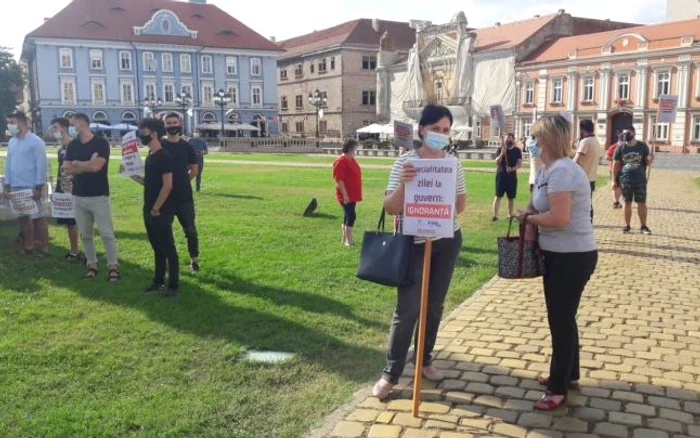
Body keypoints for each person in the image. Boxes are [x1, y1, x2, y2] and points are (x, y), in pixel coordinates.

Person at [372, 104, 467, 400]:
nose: (440, 135)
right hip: (412, 242)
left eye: (445, 130)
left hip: (446, 239)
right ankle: (391, 373)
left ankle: (423, 360)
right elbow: (390, 207)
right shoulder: (406, 162)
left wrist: (441, 191)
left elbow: (460, 205)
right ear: (422, 130)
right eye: (435, 129)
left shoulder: (453, 163)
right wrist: (406, 184)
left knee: (435, 306)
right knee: (408, 309)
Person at [517, 115, 597, 411]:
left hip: (571, 256)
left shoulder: (563, 170)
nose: (531, 144)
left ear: (547, 140)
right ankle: (569, 374)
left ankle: (557, 387)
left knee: (560, 321)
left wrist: (527, 218)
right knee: (564, 317)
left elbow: (559, 219)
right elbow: (536, 203)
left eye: (535, 138)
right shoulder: (547, 169)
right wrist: (527, 212)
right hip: (557, 254)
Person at [63, 113, 120, 282]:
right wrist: (86, 164)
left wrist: (78, 164)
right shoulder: (73, 145)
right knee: (86, 235)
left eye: (73, 124)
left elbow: (96, 167)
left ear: (82, 124)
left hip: (99, 195)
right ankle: (91, 264)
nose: (70, 128)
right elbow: (66, 169)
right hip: (79, 196)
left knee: (106, 233)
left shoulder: (100, 143)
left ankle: (113, 267)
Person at [130, 118, 179, 297]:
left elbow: (167, 186)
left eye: (144, 131)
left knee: (168, 249)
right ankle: (158, 281)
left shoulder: (164, 156)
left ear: (154, 134)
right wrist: (132, 176)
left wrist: (156, 208)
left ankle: (173, 286)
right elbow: (149, 183)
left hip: (160, 211)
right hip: (149, 208)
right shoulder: (150, 156)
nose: (141, 135)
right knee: (157, 248)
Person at [2, 110, 49, 258]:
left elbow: (41, 165)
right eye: (8, 123)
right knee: (22, 217)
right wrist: (7, 184)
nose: (10, 126)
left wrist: (38, 186)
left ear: (22, 122)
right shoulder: (12, 141)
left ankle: (44, 247)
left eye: (12, 122)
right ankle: (28, 244)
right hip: (15, 186)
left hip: (31, 186)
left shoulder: (36, 141)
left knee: (37, 217)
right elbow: (8, 163)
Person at [162, 113, 201, 272]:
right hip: (164, 197)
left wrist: (183, 182)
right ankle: (167, 262)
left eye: (175, 122)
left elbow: (194, 170)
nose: (172, 125)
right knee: (165, 232)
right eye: (169, 123)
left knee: (190, 230)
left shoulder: (187, 147)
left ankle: (194, 260)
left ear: (180, 123)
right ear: (164, 125)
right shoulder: (160, 146)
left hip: (184, 197)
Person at [50, 117, 81, 260]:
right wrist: (57, 191)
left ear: (63, 128)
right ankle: (74, 249)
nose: (53, 131)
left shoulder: (75, 146)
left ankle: (76, 252)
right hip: (62, 189)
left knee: (75, 222)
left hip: (75, 189)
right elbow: (60, 170)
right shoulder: (61, 149)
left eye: (55, 128)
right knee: (69, 222)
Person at [613, 126, 652, 235]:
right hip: (626, 179)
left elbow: (647, 162)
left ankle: (643, 226)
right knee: (627, 202)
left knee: (642, 203)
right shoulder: (620, 148)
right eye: (624, 133)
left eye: (628, 133)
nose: (626, 135)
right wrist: (613, 181)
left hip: (640, 180)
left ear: (634, 133)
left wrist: (650, 160)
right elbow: (616, 166)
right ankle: (627, 226)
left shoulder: (642, 146)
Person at [332, 138, 362, 246]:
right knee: (351, 216)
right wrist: (345, 194)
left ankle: (344, 239)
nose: (356, 151)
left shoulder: (351, 159)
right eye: (355, 148)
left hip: (352, 193)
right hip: (346, 194)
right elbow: (338, 179)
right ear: (350, 149)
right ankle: (349, 241)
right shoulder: (341, 161)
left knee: (347, 215)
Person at [573, 120, 602, 221]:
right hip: (591, 178)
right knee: (588, 204)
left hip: (581, 178)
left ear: (582, 130)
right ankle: (588, 224)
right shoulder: (596, 141)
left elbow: (575, 161)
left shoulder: (585, 141)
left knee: (579, 205)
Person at [492, 133, 523, 221]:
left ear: (513, 140)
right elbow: (496, 162)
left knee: (511, 197)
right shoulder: (501, 149)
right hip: (501, 175)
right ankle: (495, 216)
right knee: (498, 196)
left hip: (511, 177)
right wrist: (502, 154)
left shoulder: (517, 151)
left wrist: (512, 168)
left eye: (509, 139)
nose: (507, 141)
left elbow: (520, 164)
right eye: (506, 139)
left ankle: (509, 215)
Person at [606, 138, 622, 209]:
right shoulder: (614, 147)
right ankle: (616, 202)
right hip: (615, 169)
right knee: (616, 186)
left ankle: (616, 201)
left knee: (619, 187)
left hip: (622, 170)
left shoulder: (625, 147)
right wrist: (616, 159)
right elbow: (607, 157)